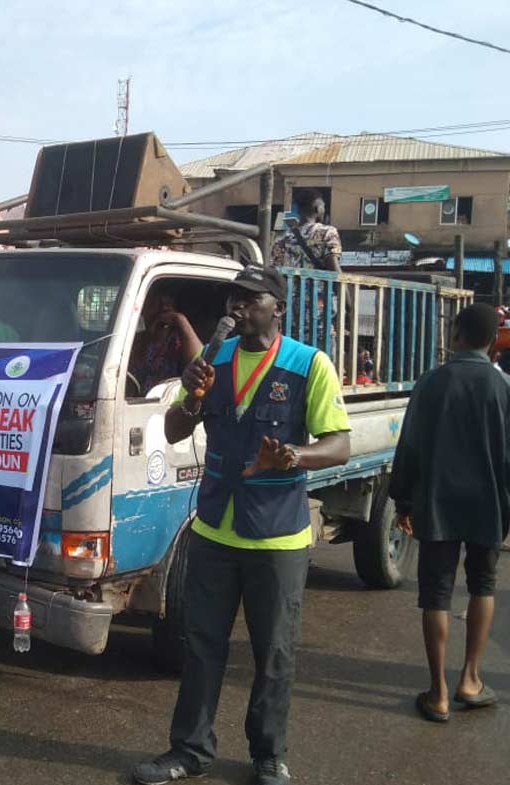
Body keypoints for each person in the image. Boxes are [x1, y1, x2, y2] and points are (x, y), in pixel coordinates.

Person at [133, 266, 351, 785]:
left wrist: (294, 455)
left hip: (277, 537)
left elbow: (339, 443)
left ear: (277, 307)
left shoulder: (309, 364)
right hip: (213, 530)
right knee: (201, 644)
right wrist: (192, 397)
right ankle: (188, 750)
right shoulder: (215, 358)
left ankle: (268, 754)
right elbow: (174, 427)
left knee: (273, 651)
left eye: (250, 299)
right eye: (234, 298)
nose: (237, 307)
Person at [389, 303, 510, 724]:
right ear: (494, 343)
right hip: (488, 506)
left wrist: (403, 500)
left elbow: (411, 446)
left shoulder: (430, 383)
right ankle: (470, 679)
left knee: (435, 594)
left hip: (436, 504)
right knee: (483, 586)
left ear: (455, 334)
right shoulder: (509, 390)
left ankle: (437, 692)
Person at [128, 283, 203, 396]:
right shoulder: (138, 337)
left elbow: (200, 362)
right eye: (152, 303)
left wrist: (180, 320)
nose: (162, 307)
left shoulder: (178, 339)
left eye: (166, 303)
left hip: (166, 400)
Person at [270, 190, 342, 272]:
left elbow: (274, 268)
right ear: (318, 209)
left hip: (286, 284)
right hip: (316, 284)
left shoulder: (282, 237)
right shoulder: (327, 232)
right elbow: (334, 269)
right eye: (324, 206)